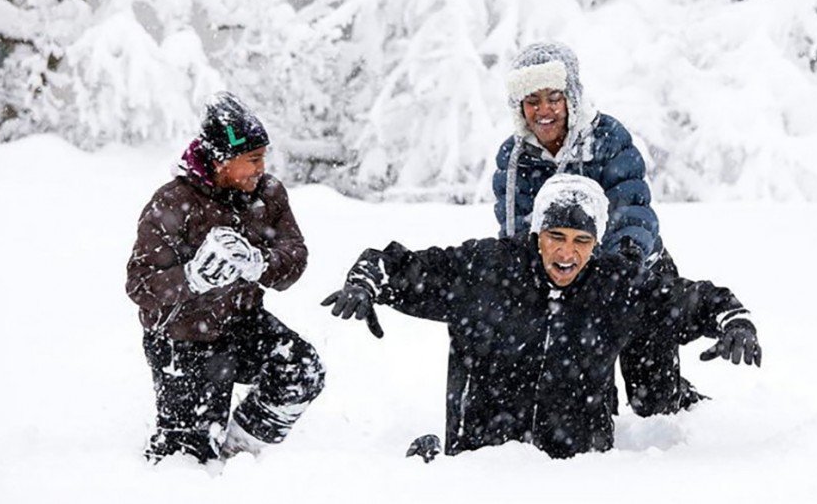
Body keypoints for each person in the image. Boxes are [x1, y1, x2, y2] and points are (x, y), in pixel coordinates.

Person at [322, 174, 761, 460]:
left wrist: (733, 321)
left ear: (596, 244)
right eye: (556, 236)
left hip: (576, 475)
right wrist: (366, 283)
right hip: (481, 467)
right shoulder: (488, 268)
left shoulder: (615, 287)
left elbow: (693, 300)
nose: (567, 253)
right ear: (537, 235)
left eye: (581, 240)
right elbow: (399, 266)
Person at [493, 41, 698, 416]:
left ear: (570, 96)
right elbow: (517, 229)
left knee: (653, 402)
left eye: (553, 97)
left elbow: (632, 205)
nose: (543, 111)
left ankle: (679, 396)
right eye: (532, 100)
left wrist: (624, 261)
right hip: (570, 282)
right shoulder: (514, 157)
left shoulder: (607, 138)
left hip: (634, 271)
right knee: (586, 401)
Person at [126, 92, 325, 464]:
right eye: (251, 159)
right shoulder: (171, 203)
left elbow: (294, 258)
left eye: (263, 156)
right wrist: (192, 278)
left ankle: (239, 450)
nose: (261, 168)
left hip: (242, 323)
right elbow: (139, 284)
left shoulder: (269, 194)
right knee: (186, 460)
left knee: (302, 371)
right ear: (220, 160)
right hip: (181, 340)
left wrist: (258, 263)